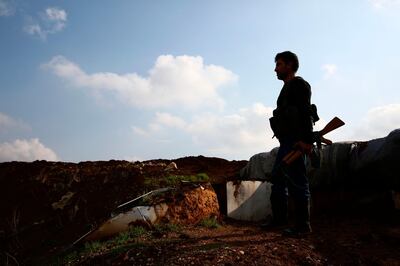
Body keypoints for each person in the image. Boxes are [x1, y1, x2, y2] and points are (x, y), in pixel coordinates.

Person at [263, 51, 314, 236]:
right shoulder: (286, 88)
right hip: (286, 142)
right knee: (278, 178)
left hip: (296, 142)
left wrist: (306, 141)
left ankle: (303, 226)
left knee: (298, 181)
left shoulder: (299, 84)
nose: (275, 69)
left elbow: (305, 112)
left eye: (279, 64)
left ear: (290, 65)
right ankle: (279, 220)